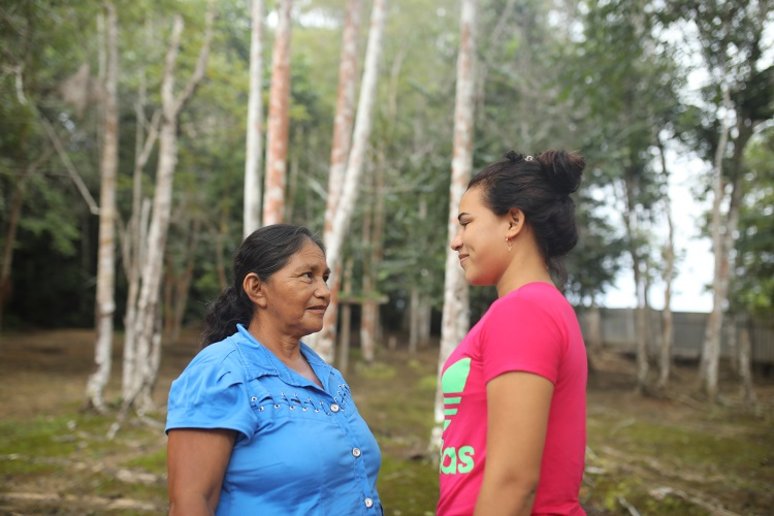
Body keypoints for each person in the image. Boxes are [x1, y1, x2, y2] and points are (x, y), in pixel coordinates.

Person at [166, 224, 382, 515]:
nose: (324, 292)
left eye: (325, 277)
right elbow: (192, 502)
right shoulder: (220, 373)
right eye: (308, 276)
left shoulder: (330, 379)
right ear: (257, 288)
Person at [437, 150, 587, 516]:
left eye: (466, 223)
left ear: (513, 221)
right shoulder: (533, 308)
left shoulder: (524, 312)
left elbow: (513, 481)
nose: (456, 241)